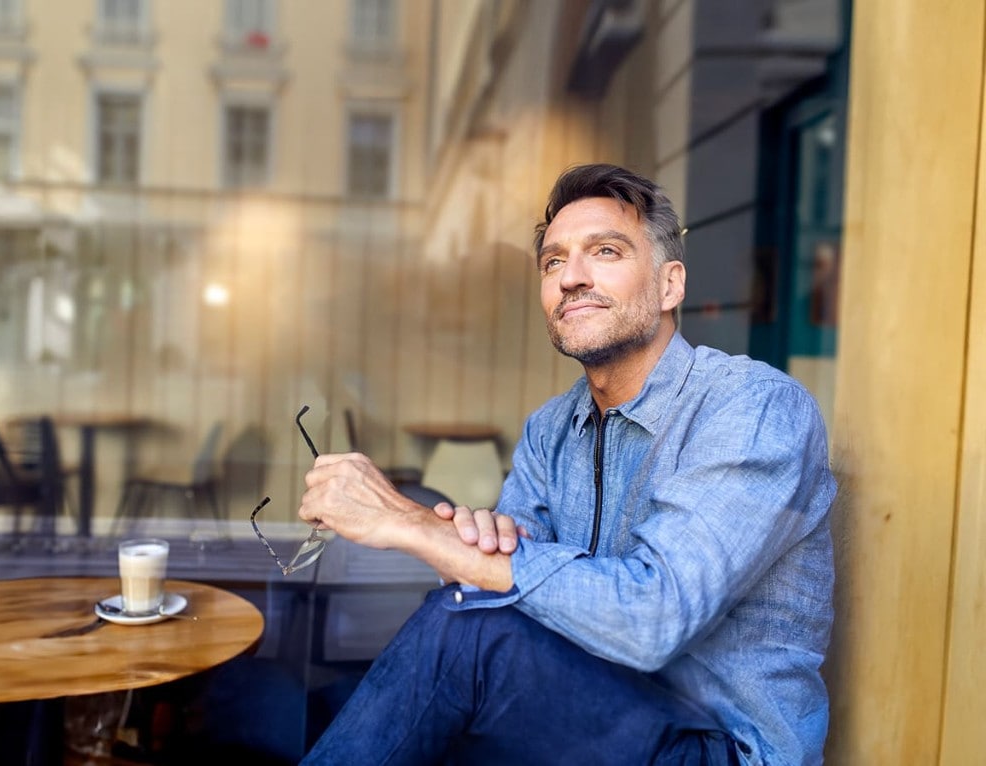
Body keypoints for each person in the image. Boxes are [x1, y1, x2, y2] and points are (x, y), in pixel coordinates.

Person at [296, 163, 836, 765]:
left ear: (670, 285)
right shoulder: (552, 428)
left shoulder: (753, 407)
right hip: (581, 721)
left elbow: (654, 617)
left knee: (464, 638)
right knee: (311, 700)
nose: (571, 278)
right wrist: (479, 552)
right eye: (553, 262)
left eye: (604, 252)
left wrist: (414, 524)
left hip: (722, 748)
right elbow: (497, 589)